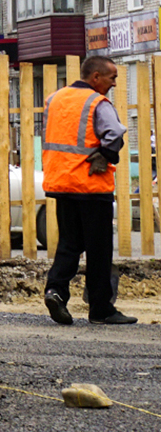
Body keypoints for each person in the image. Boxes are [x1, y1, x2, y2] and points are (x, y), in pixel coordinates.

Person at [42, 56, 138, 326]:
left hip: (62, 183)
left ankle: (55, 291)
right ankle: (101, 309)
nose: (114, 83)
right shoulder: (97, 102)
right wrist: (105, 154)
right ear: (95, 77)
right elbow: (114, 133)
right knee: (98, 248)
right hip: (91, 185)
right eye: (112, 77)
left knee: (69, 244)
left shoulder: (55, 99)